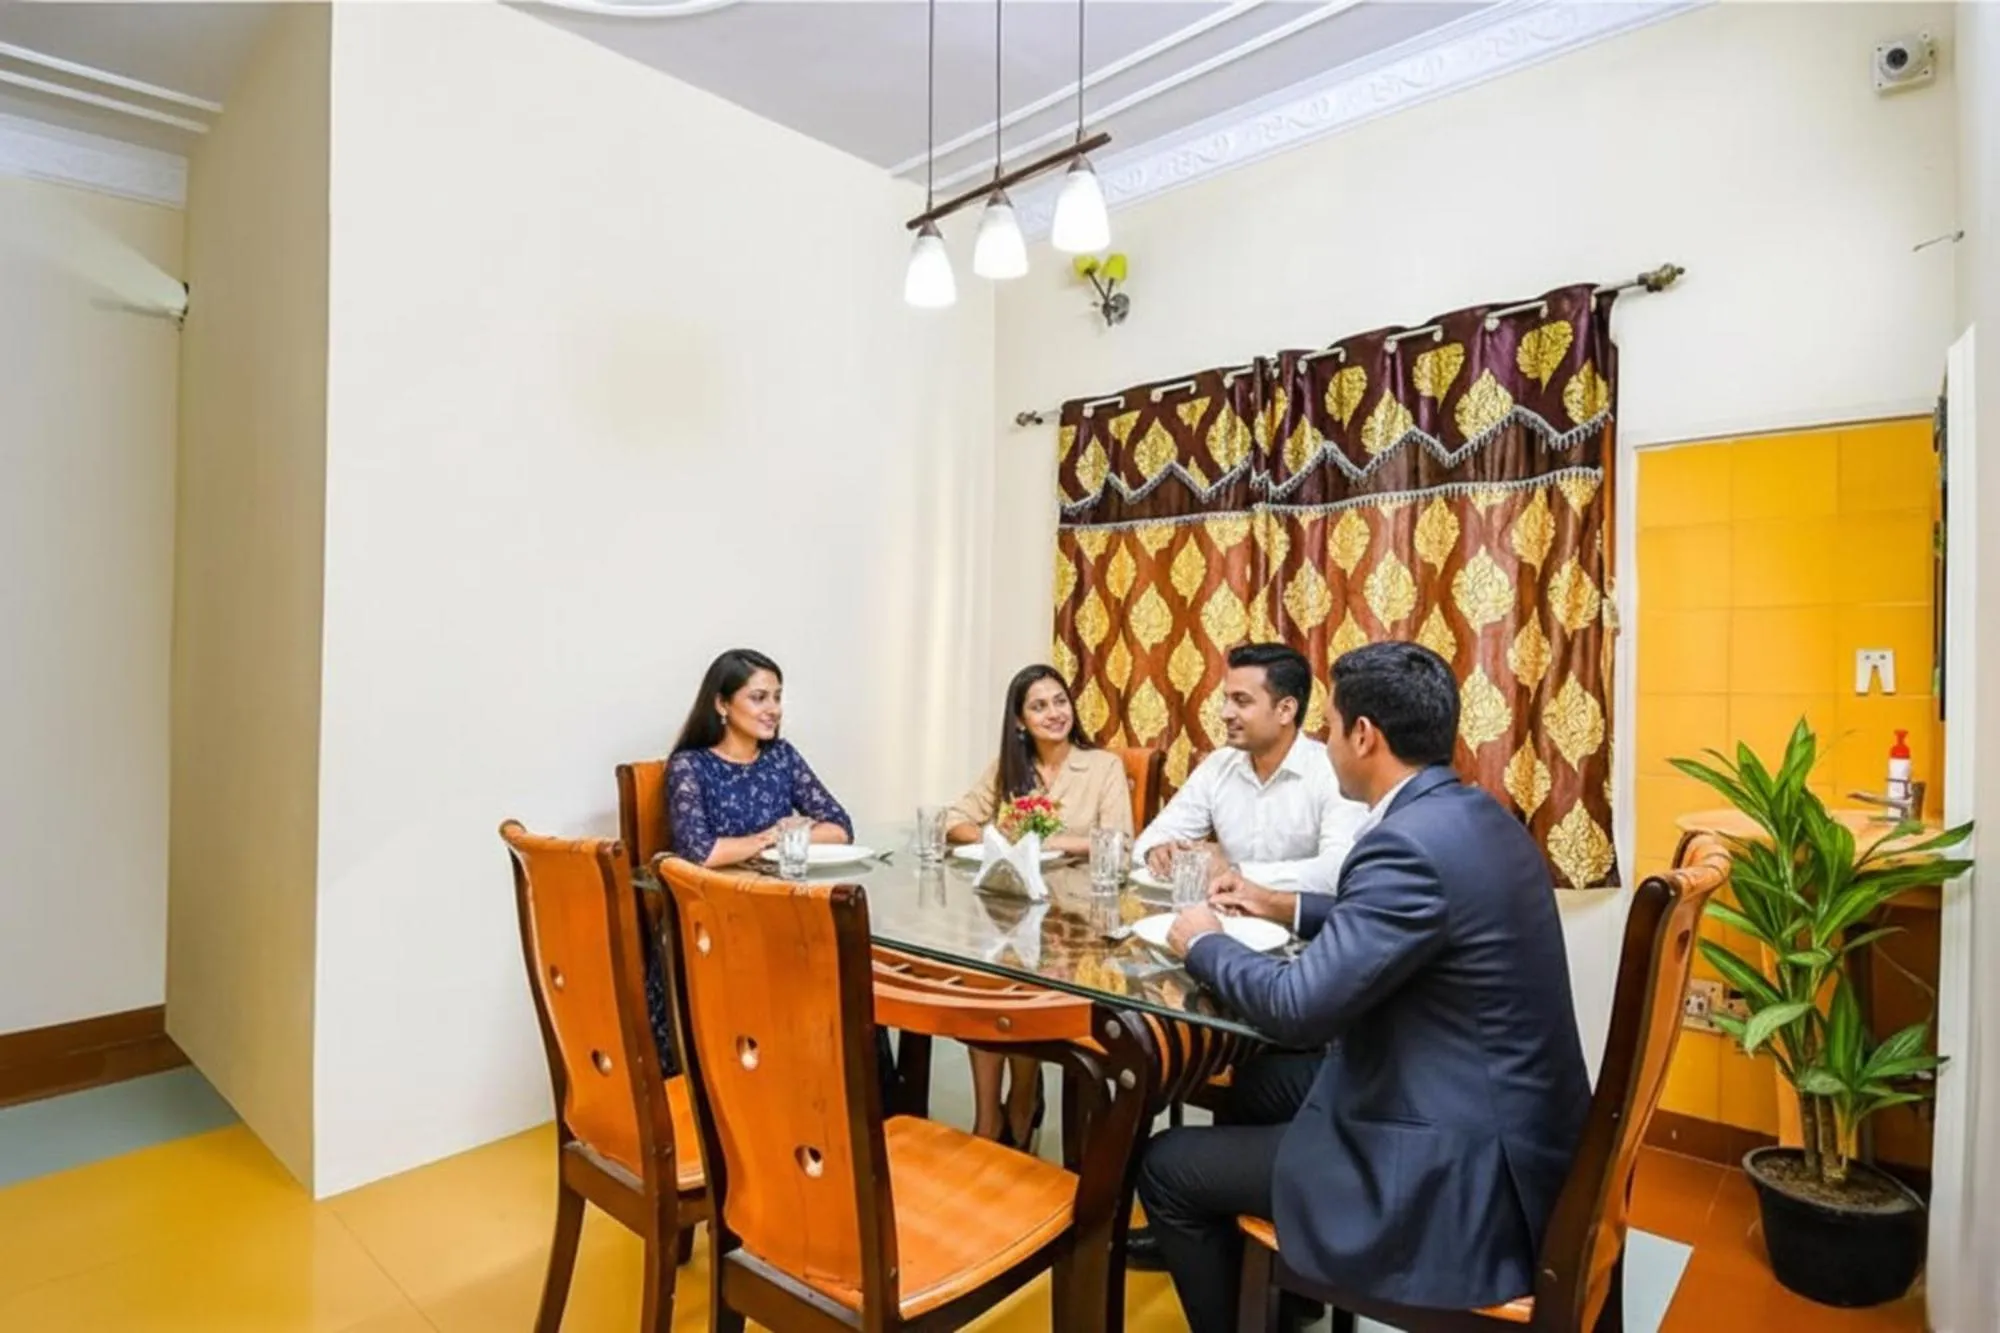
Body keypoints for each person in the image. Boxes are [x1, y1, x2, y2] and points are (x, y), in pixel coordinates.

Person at [1140, 641, 1590, 1333]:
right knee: (1258, 1085)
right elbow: (1404, 922)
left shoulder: (1404, 843)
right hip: (1511, 1113)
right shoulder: (1471, 815)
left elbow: (1297, 1010)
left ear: (1364, 735)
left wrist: (1201, 939)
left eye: (1327, 726)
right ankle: (1282, 1294)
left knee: (1168, 1166)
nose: (1322, 743)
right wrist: (1280, 903)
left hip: (1458, 1165)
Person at [944, 664, 1133, 1148]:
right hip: (1011, 914)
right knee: (982, 981)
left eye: (1060, 702)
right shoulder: (1010, 765)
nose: (1054, 713)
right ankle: (990, 1118)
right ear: (1019, 722)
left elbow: (1119, 844)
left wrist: (1050, 839)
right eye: (1039, 706)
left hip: (1077, 924)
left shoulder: (1102, 766)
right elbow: (954, 821)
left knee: (1019, 981)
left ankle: (1023, 1102)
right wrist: (997, 835)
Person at [650, 649, 857, 1071]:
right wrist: (772, 837)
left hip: (777, 909)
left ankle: (834, 1096)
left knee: (848, 967)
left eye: (777, 697)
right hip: (714, 920)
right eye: (759, 698)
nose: (773, 710)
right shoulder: (690, 766)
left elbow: (839, 827)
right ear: (722, 704)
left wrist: (775, 839)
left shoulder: (782, 758)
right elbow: (700, 852)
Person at [1132, 642, 1367, 887]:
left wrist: (1235, 872)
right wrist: (1158, 853)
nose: (1225, 713)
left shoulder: (1331, 771)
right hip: (1219, 916)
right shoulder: (1218, 765)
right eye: (1227, 699)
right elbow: (1145, 845)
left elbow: (1337, 869)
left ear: (1285, 710)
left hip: (1300, 922)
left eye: (1241, 701)